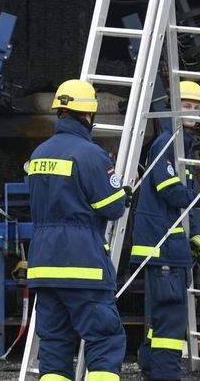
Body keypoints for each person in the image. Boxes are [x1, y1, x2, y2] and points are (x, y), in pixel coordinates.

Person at [25, 79, 129, 381]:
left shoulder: (38, 155)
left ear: (60, 112)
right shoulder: (91, 154)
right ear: (89, 115)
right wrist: (123, 194)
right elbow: (112, 208)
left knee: (55, 347)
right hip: (83, 266)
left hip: (44, 266)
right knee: (105, 342)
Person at [130, 81, 200, 381]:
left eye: (197, 108)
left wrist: (194, 233)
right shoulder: (167, 143)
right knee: (170, 326)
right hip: (162, 248)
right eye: (186, 106)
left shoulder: (181, 146)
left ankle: (150, 369)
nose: (192, 112)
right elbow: (172, 192)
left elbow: (184, 195)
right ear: (173, 107)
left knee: (159, 319)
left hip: (168, 247)